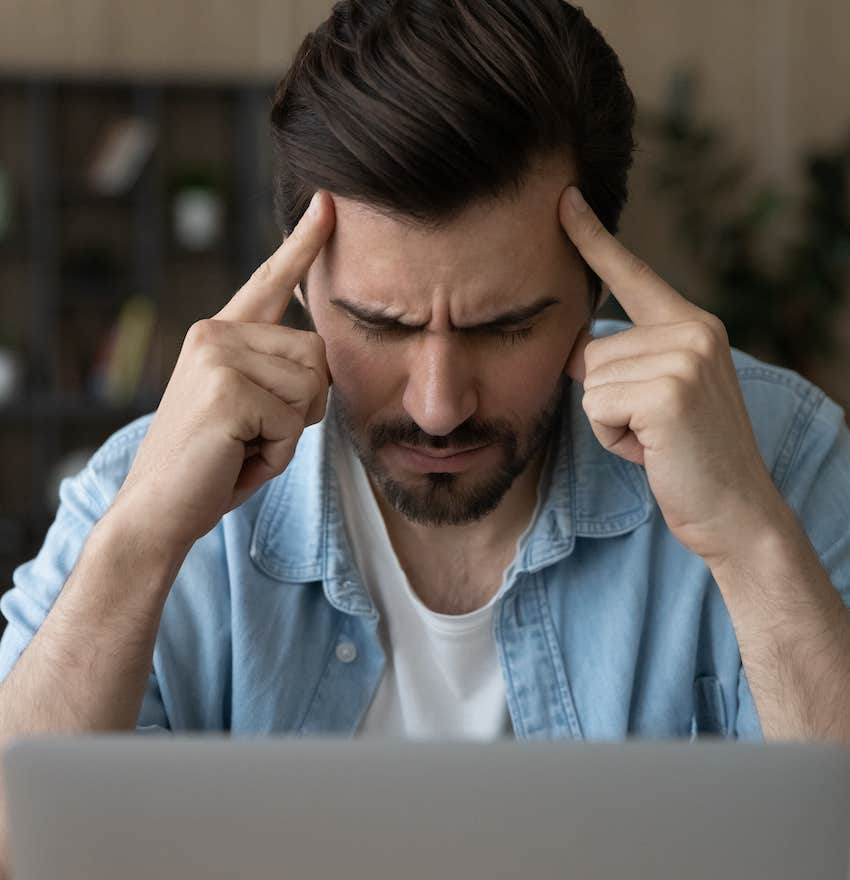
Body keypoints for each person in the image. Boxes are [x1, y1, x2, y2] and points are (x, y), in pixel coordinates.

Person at [2, 0, 850, 867]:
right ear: (297, 287)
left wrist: (749, 539)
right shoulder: (142, 486)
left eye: (505, 326)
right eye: (381, 324)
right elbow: (14, 839)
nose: (440, 405)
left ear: (599, 293)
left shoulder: (776, 454)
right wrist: (142, 541)